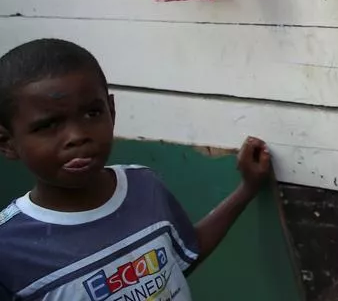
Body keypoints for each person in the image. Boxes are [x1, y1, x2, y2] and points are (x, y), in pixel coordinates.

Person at [0, 39, 273, 301]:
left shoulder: (143, 185)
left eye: (92, 114)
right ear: (7, 143)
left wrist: (247, 189)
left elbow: (184, 253)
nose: (77, 136)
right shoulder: (9, 248)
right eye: (48, 126)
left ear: (112, 110)